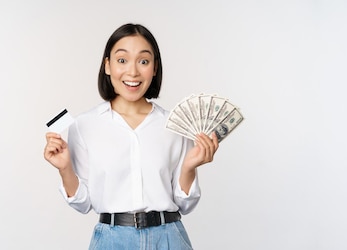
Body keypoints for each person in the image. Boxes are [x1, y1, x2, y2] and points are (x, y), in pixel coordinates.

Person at [43, 23, 220, 250]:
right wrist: (64, 168)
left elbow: (184, 204)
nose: (133, 72)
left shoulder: (175, 125)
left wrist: (189, 167)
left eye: (144, 61)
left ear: (154, 68)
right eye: (122, 60)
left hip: (168, 238)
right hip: (111, 240)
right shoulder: (84, 125)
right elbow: (83, 203)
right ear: (107, 66)